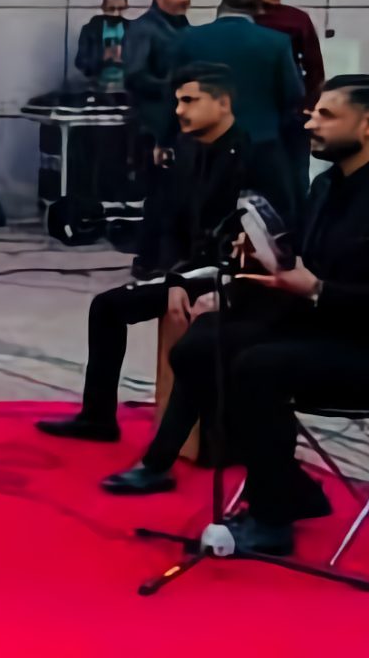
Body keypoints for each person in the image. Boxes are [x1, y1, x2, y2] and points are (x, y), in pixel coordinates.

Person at [169, 75, 369, 557]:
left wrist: (321, 290)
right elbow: (301, 263)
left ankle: (272, 520)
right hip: (330, 331)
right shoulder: (326, 186)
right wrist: (254, 268)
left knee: (259, 366)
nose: (310, 123)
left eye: (326, 115)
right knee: (202, 346)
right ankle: (290, 487)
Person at [50, 63, 302, 486]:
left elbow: (268, 239)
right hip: (192, 270)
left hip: (238, 276)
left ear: (223, 103)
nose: (179, 110)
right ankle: (97, 417)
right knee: (108, 307)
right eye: (177, 101)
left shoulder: (260, 156)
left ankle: (160, 462)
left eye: (189, 101)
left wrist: (211, 286)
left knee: (197, 347)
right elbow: (169, 224)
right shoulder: (188, 150)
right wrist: (172, 279)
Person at [173, 0, 303, 151]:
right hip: (260, 139)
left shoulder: (187, 38)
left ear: (222, 7)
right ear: (258, 10)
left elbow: (171, 89)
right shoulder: (278, 42)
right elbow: (293, 93)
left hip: (203, 138)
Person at [248, 0, 324, 160]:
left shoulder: (296, 19)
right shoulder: (243, 18)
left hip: (289, 106)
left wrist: (306, 106)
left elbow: (314, 66)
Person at [126, 0, 194, 172]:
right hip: (156, 125)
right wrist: (172, 85)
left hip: (181, 121)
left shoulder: (182, 25)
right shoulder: (142, 29)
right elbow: (134, 76)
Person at [73, 0, 132, 92]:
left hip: (128, 86)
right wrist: (102, 58)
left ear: (126, 6)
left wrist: (124, 58)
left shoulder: (134, 29)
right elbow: (80, 61)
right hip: (97, 85)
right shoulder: (90, 29)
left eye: (120, 9)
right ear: (103, 6)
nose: (116, 13)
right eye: (111, 8)